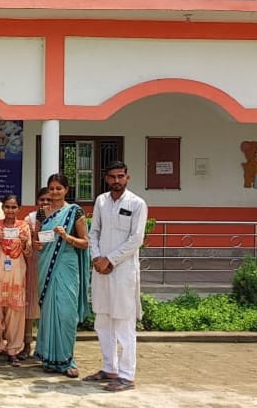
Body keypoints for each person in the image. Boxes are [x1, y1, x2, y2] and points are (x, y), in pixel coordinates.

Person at [85, 162, 148, 392]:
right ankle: (109, 368)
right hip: (101, 269)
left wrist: (110, 259)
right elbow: (94, 232)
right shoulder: (101, 201)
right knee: (103, 320)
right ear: (106, 178)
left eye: (120, 176)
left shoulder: (137, 203)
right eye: (112, 177)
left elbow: (136, 239)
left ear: (127, 178)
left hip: (122, 271)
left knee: (123, 323)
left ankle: (126, 375)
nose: (116, 181)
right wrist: (96, 257)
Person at [32, 173, 91, 378]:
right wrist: (36, 244)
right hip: (46, 265)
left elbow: (85, 242)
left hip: (67, 265)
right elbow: (37, 239)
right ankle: (49, 358)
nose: (55, 192)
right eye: (52, 188)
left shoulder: (75, 211)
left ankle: (67, 360)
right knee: (49, 312)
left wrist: (66, 236)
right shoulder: (42, 212)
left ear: (66, 190)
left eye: (59, 188)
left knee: (66, 313)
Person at [0, 195, 32, 366]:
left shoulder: (23, 227)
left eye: (14, 207)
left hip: (17, 272)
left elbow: (28, 252)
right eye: (7, 207)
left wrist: (24, 243)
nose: (10, 210)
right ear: (3, 208)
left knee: (15, 312)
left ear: (18, 208)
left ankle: (13, 349)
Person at [19, 187, 50, 360]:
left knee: (49, 305)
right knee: (30, 304)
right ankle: (26, 343)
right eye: (42, 199)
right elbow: (26, 241)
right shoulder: (29, 218)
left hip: (52, 263)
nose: (45, 203)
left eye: (48, 200)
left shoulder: (59, 216)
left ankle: (47, 346)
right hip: (33, 263)